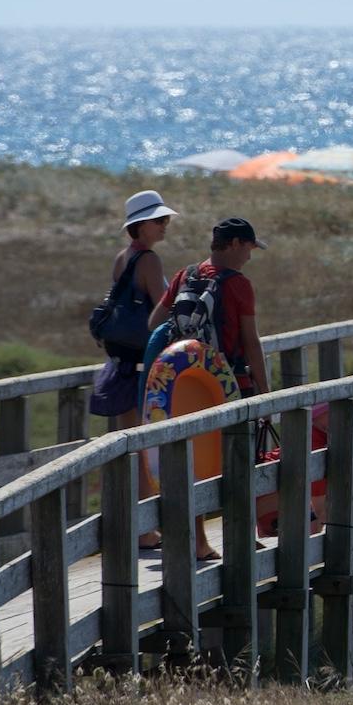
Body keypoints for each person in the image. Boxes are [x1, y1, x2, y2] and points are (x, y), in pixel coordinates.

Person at [148, 216, 270, 558]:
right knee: (238, 463)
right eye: (248, 247)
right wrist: (265, 392)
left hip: (185, 385)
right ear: (235, 244)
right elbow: (251, 341)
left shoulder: (185, 275)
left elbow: (154, 323)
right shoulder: (238, 284)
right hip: (229, 384)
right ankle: (241, 539)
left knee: (193, 461)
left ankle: (198, 542)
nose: (249, 255)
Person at [89, 190, 176, 547]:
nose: (165, 225)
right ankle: (145, 528)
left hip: (121, 363)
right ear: (141, 225)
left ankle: (139, 528)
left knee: (131, 448)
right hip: (144, 365)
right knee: (149, 449)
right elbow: (162, 309)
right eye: (159, 220)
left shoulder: (122, 257)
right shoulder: (150, 260)